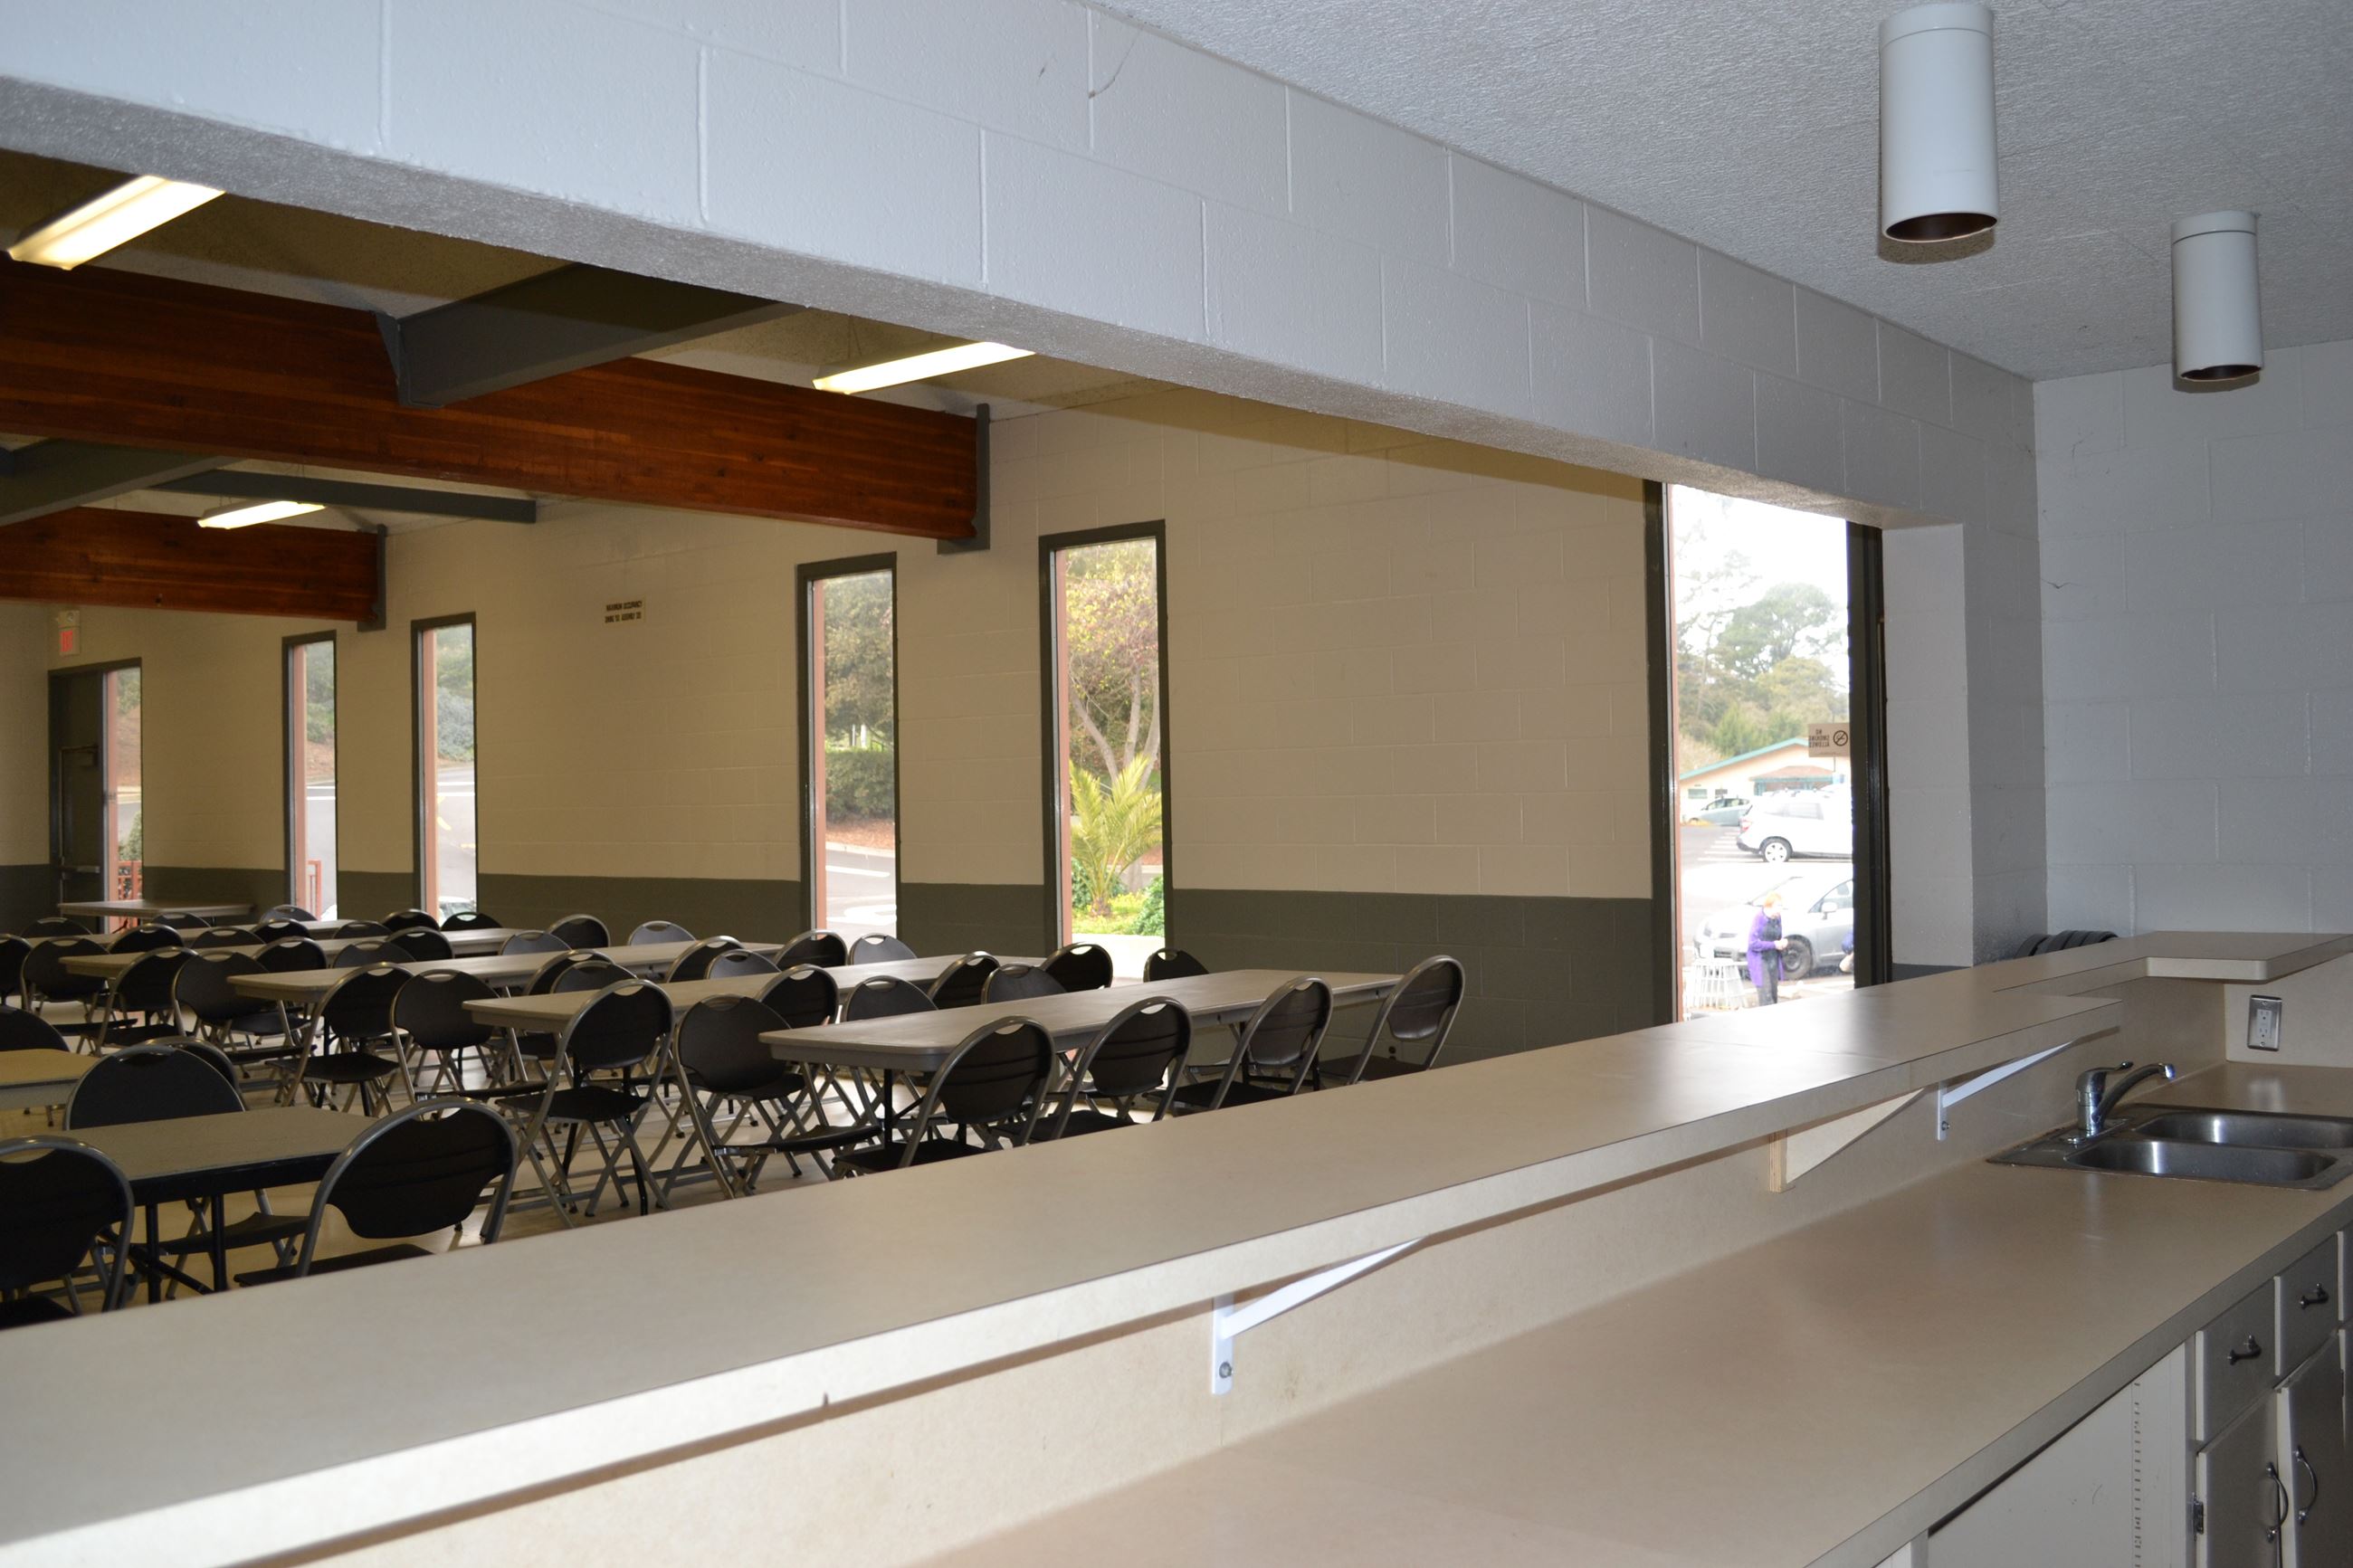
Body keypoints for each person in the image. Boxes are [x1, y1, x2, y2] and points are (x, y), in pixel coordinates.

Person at [1747, 892, 1788, 1006]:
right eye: (1778, 906)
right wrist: (1774, 945)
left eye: (1781, 907)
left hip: (1773, 960)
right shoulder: (1759, 919)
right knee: (1766, 996)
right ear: (1768, 907)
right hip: (1760, 961)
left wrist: (1783, 942)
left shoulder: (1777, 918)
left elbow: (1778, 936)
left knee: (1774, 994)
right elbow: (1753, 943)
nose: (1780, 910)